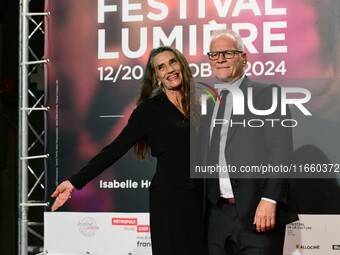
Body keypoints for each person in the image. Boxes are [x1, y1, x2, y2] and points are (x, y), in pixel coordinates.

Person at [50, 46, 206, 255]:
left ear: (181, 65)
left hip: (201, 196)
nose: (169, 69)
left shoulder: (198, 104)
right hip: (170, 196)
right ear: (157, 76)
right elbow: (115, 148)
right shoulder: (149, 110)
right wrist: (75, 182)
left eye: (172, 62)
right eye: (161, 67)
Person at [201, 29, 298, 255]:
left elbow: (280, 151)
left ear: (244, 58)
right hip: (217, 215)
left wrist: (269, 199)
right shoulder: (209, 102)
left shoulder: (266, 93)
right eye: (214, 54)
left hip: (257, 212)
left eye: (228, 53)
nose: (220, 59)